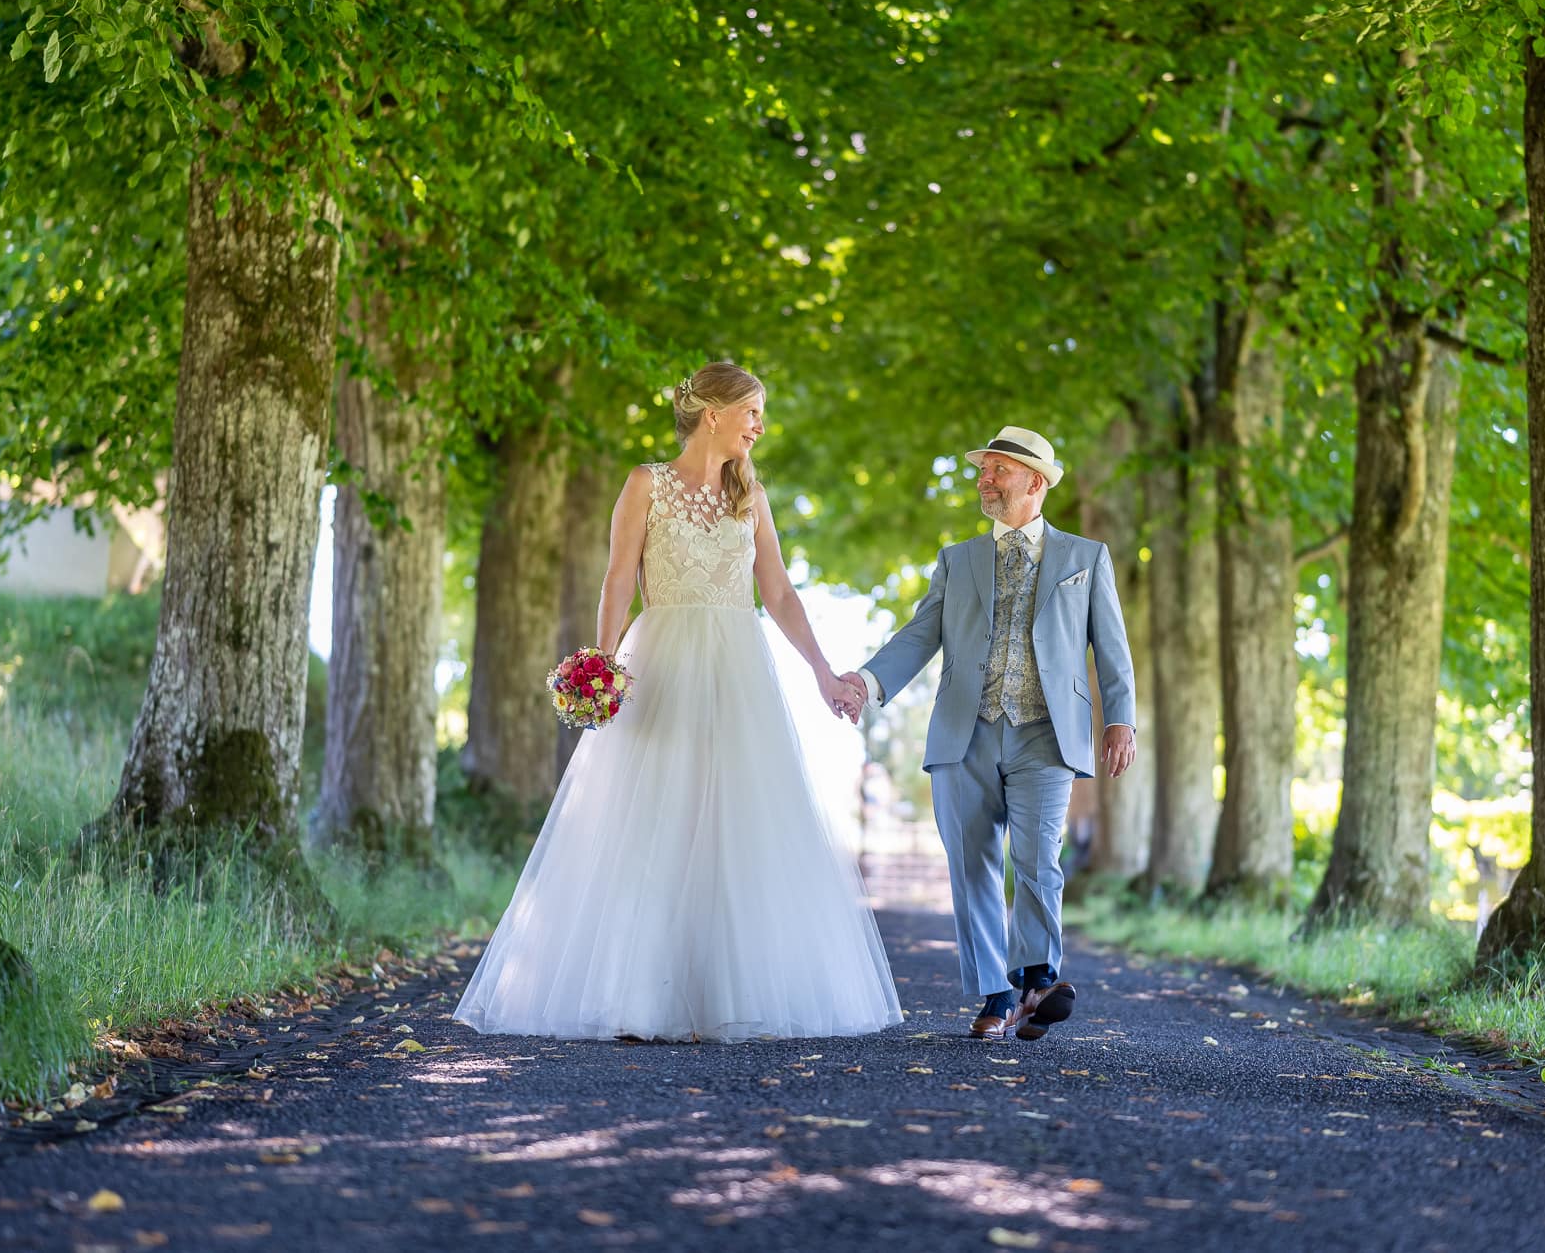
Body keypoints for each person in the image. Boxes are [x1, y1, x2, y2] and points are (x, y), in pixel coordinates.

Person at [454, 362, 899, 1043]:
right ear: (713, 414)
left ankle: (722, 992)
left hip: (738, 667)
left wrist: (821, 671)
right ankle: (635, 995)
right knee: (650, 816)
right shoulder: (646, 483)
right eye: (752, 411)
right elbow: (617, 579)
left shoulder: (752, 494)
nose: (760, 425)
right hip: (660, 661)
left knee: (732, 821)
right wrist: (601, 671)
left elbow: (776, 591)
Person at [843, 426, 1136, 1041]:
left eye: (997, 469)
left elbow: (1111, 648)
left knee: (1038, 859)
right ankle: (997, 995)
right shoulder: (957, 560)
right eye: (983, 470)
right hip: (963, 733)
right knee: (971, 863)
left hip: (1046, 734)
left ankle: (1037, 978)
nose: (984, 479)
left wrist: (1119, 717)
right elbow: (921, 635)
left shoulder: (1086, 558)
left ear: (1034, 481)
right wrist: (867, 683)